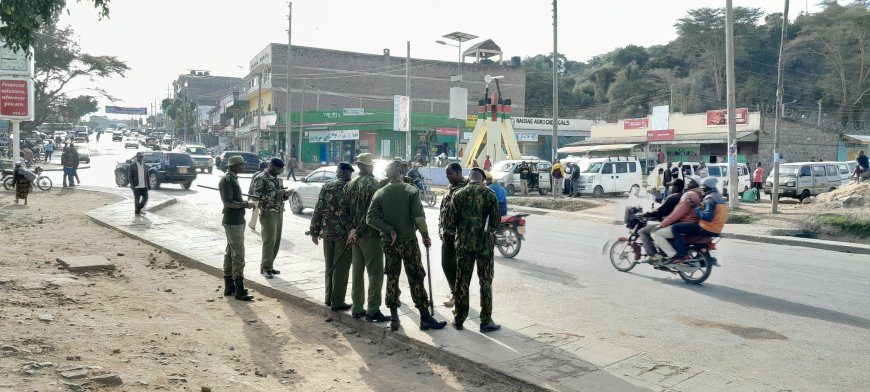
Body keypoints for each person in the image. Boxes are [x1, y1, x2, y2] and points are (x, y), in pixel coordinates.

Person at [366, 160, 447, 332]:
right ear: (401, 171)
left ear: (387, 174)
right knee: (416, 277)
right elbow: (419, 217)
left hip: (389, 242)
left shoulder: (380, 193)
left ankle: (394, 318)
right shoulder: (411, 190)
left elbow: (370, 219)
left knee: (392, 277)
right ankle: (425, 317)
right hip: (409, 241)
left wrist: (389, 229)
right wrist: (425, 236)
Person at [449, 167, 502, 333]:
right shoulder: (489, 195)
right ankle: (485, 321)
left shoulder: (458, 195)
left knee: (461, 281)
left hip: (464, 246)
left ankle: (459, 319)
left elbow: (451, 221)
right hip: (484, 247)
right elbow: (495, 221)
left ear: (469, 178)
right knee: (485, 282)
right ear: (483, 179)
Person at [343, 154, 391, 322]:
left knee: (357, 271)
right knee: (375, 273)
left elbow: (345, 210)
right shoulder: (374, 185)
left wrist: (352, 230)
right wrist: (359, 229)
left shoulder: (350, 184)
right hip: (371, 235)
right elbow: (373, 214)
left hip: (355, 236)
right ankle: (373, 310)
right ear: (369, 167)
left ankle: (357, 308)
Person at [310, 162, 354, 311]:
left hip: (328, 233)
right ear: (348, 173)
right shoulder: (351, 187)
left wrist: (314, 231)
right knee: (341, 268)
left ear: (338, 172)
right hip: (344, 235)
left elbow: (319, 209)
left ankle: (328, 298)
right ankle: (338, 301)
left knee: (329, 265)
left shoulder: (327, 186)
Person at [219, 156, 255, 301]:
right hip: (233, 221)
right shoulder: (228, 180)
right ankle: (239, 289)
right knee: (238, 255)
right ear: (234, 166)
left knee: (230, 253)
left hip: (236, 220)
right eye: (241, 165)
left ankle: (230, 286)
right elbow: (228, 203)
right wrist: (246, 204)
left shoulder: (232, 179)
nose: (243, 167)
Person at [668, 177, 728, 264]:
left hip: (706, 227)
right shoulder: (719, 197)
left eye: (703, 187)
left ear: (707, 187)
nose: (701, 189)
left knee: (675, 228)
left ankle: (682, 255)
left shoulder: (709, 198)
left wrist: (696, 209)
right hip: (717, 228)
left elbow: (708, 217)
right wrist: (699, 205)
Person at [251, 158, 288, 279]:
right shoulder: (261, 178)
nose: (279, 171)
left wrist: (285, 195)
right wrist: (276, 193)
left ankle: (270, 265)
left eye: (281, 169)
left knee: (276, 241)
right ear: (271, 166)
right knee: (269, 241)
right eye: (278, 169)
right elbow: (256, 197)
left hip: (279, 211)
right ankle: (265, 268)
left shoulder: (278, 179)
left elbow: (280, 197)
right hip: (268, 212)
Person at [651, 176, 704, 259]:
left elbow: (677, 213)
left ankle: (673, 255)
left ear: (694, 184)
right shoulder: (699, 194)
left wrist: (662, 224)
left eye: (690, 181)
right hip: (693, 223)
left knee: (655, 233)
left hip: (685, 223)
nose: (688, 183)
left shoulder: (688, 194)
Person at [438, 163, 467, 308]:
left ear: (458, 173)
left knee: (460, 268)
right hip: (447, 234)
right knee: (446, 264)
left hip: (459, 236)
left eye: (450, 174)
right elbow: (442, 209)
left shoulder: (466, 187)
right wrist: (440, 228)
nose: (447, 177)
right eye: (446, 174)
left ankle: (460, 297)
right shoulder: (449, 188)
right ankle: (456, 293)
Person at [638, 179, 684, 263]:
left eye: (672, 186)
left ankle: (652, 256)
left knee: (643, 231)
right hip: (677, 223)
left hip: (671, 223)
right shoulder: (682, 196)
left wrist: (645, 214)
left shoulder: (673, 197)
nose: (671, 188)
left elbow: (660, 211)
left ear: (676, 187)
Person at [247, 161, 270, 231]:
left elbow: (251, 185)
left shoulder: (256, 174)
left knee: (255, 211)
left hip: (256, 196)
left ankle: (252, 224)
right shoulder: (268, 174)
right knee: (264, 212)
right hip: (265, 197)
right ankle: (265, 226)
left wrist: (249, 195)